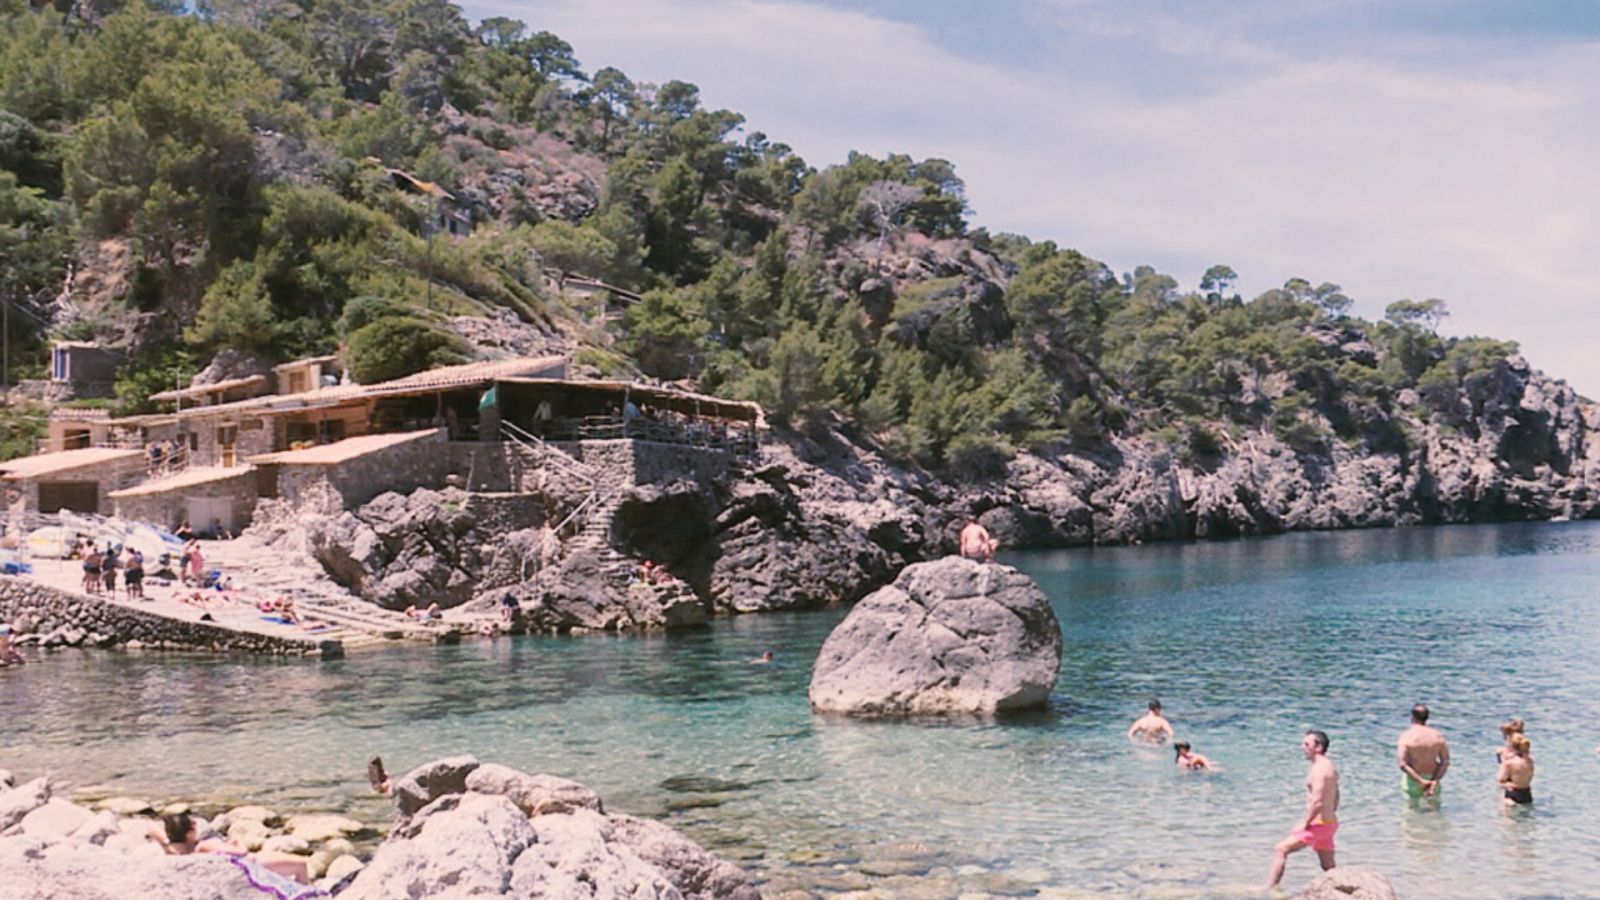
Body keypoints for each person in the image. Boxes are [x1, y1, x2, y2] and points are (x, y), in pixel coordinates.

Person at [1267, 730, 1340, 889]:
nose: (1302, 747)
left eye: (1307, 744)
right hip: (1329, 823)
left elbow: (1317, 801)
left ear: (1318, 747)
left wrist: (1306, 824)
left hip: (1318, 824)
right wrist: (1332, 813)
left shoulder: (1319, 769)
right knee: (1328, 867)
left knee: (1281, 849)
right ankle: (1342, 890)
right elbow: (1336, 794)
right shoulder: (1330, 766)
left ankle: (1270, 890)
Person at [1398, 703, 1451, 801]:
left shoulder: (1406, 736)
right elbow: (1445, 761)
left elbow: (1402, 764)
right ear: (1427, 717)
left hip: (1413, 780)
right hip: (1433, 780)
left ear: (1412, 717)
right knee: (1434, 811)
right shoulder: (1438, 736)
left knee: (1410, 812)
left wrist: (1421, 781)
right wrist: (1435, 781)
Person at [1498, 733, 1534, 806]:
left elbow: (1501, 779)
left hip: (1513, 794)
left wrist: (1502, 761)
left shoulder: (1509, 763)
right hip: (1527, 795)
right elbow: (1530, 777)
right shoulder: (1530, 761)